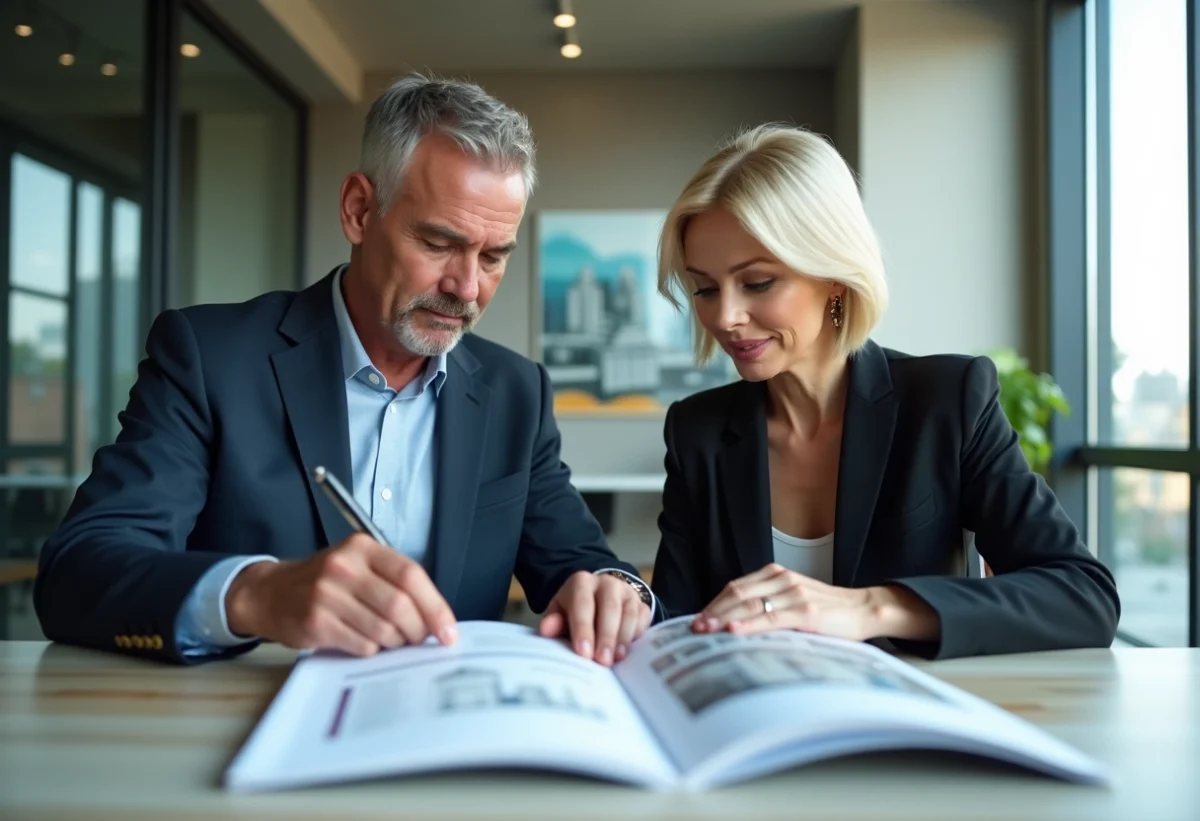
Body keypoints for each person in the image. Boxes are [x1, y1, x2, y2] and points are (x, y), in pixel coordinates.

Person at [33, 74, 654, 666]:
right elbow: (79, 571)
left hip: (450, 739)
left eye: (494, 256)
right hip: (243, 735)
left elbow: (587, 563)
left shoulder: (516, 393)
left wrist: (613, 593)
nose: (467, 287)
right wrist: (257, 593)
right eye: (438, 244)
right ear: (359, 210)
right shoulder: (208, 357)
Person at [649, 124, 1119, 659]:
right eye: (705, 289)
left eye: (757, 282)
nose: (725, 317)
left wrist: (869, 608)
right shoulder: (697, 430)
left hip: (913, 723)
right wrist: (621, 594)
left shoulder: (947, 401)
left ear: (834, 276)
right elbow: (675, 622)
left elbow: (1084, 596)